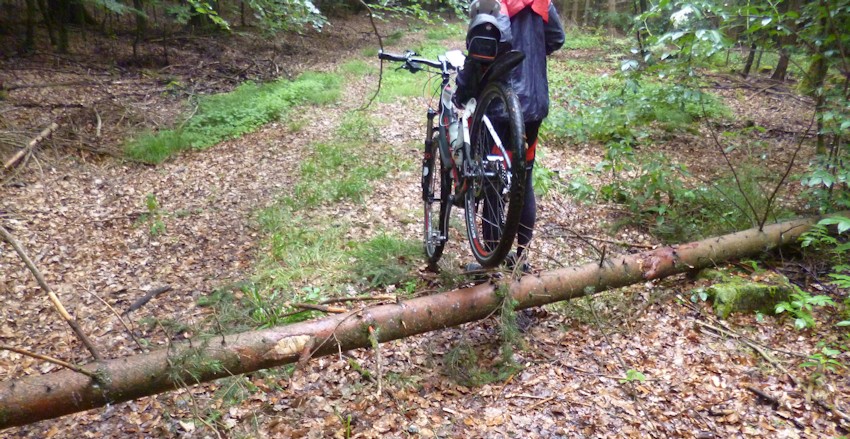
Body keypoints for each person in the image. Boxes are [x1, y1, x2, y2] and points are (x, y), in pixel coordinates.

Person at [458, 0, 565, 272]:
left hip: (499, 107)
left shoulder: (494, 4)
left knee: (494, 179)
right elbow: (557, 38)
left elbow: (480, 50)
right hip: (534, 107)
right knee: (523, 178)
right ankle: (521, 258)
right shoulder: (541, 2)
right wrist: (533, 54)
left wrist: (462, 90)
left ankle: (491, 262)